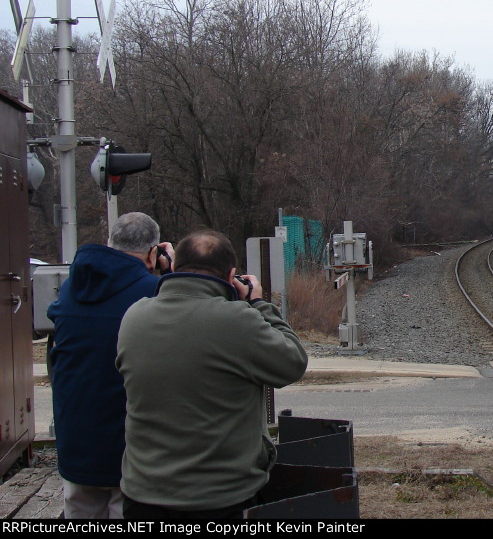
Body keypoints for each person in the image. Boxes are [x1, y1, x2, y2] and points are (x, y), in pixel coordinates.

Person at [116, 229, 308, 519]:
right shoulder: (237, 320)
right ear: (231, 275)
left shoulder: (134, 316)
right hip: (221, 497)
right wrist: (258, 304)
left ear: (174, 266)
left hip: (142, 494)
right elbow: (292, 362)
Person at [47, 212, 173, 519]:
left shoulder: (70, 290)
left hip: (76, 437)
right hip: (130, 444)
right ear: (153, 253)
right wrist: (171, 272)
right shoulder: (155, 293)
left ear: (109, 243)